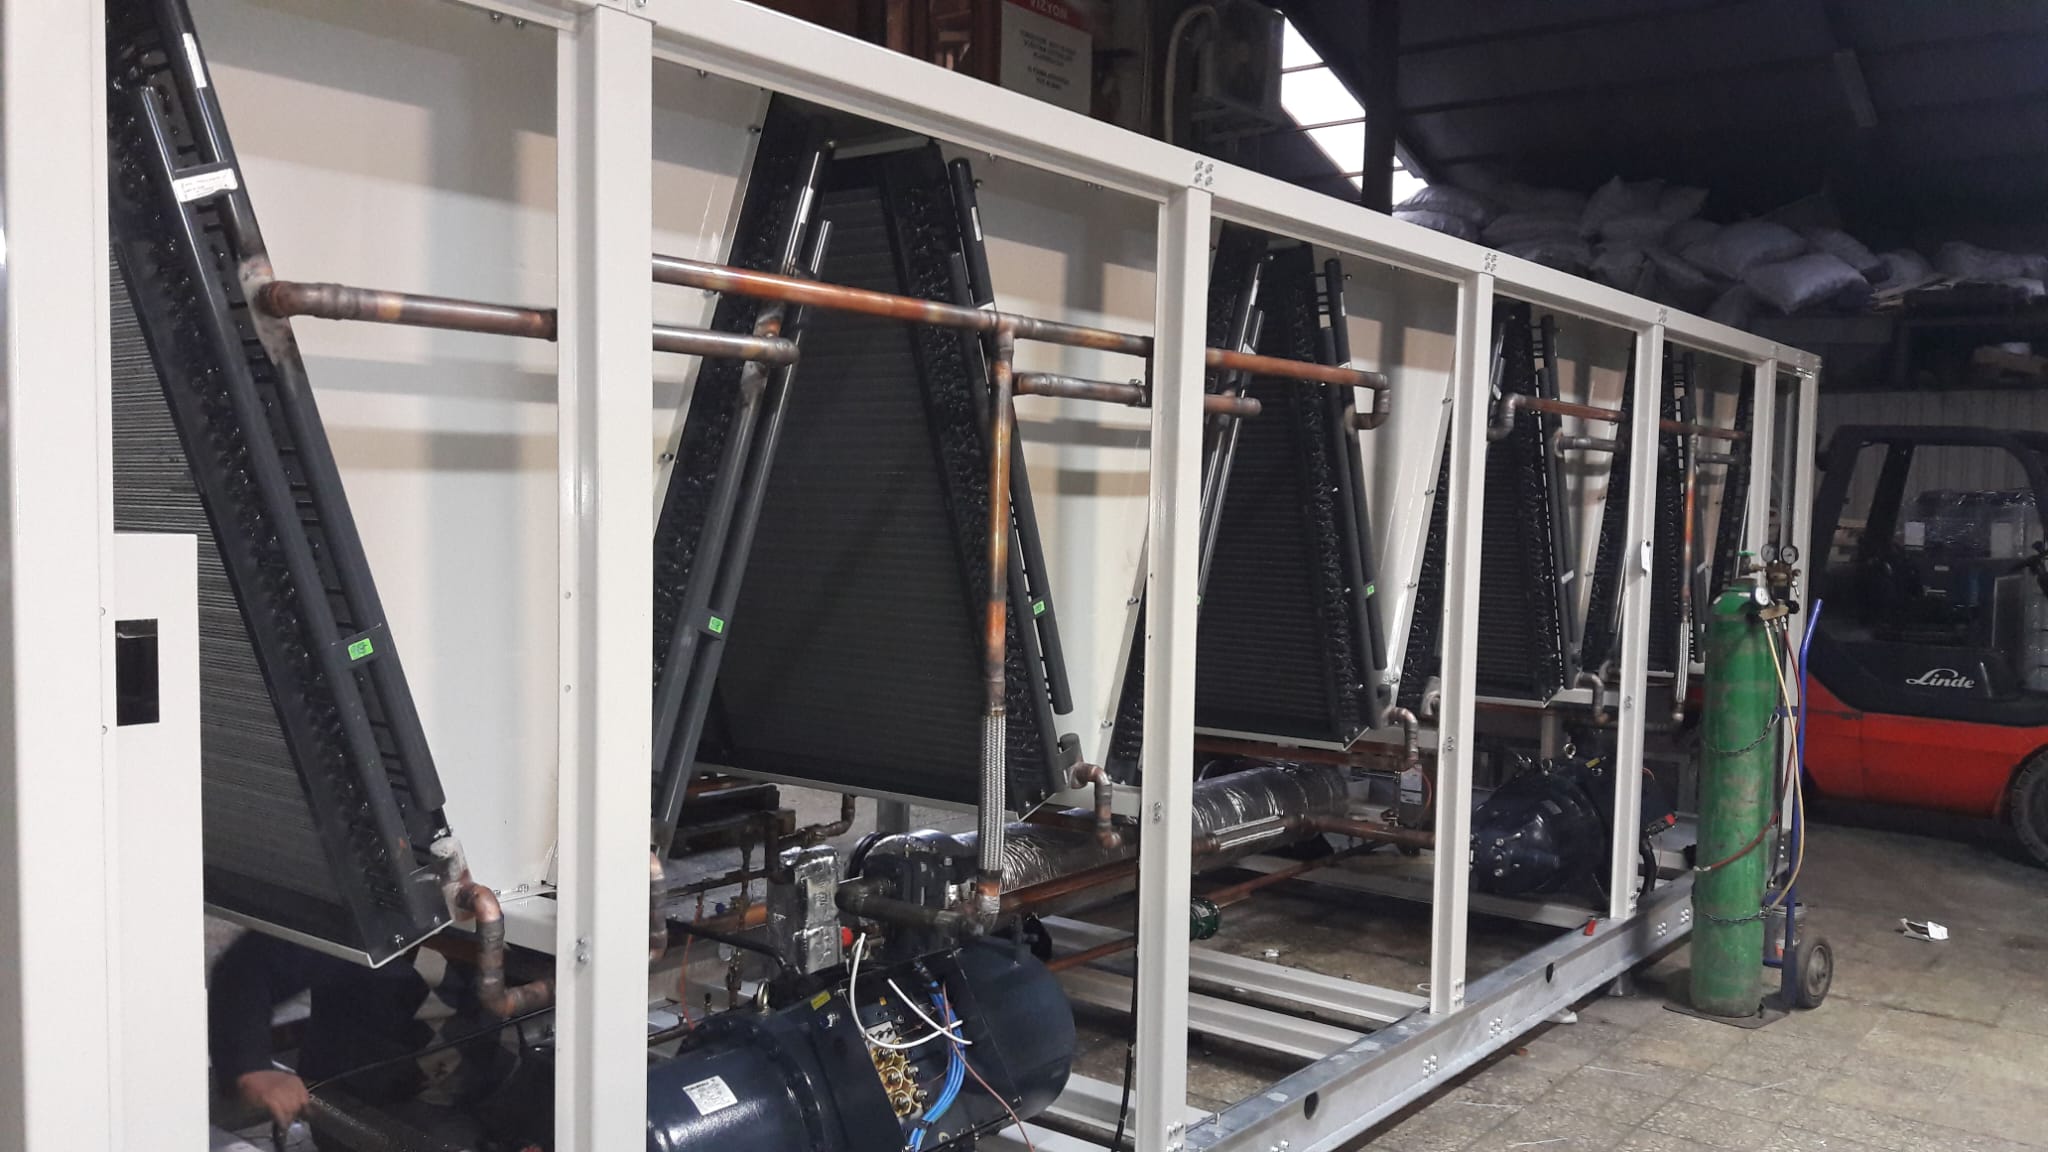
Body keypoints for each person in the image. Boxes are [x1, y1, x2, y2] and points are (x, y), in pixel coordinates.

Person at [209, 930, 508, 1139]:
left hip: (480, 1095)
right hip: (371, 1105)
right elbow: (248, 969)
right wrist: (250, 1067)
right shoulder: (372, 919)